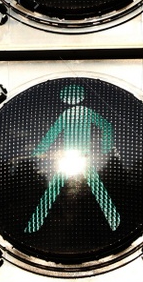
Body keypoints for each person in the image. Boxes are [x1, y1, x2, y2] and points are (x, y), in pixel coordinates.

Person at [26, 83, 120, 232]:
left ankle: (115, 222)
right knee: (55, 189)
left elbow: (106, 126)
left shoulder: (83, 113)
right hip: (70, 160)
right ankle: (115, 222)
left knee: (95, 189)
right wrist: (38, 151)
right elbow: (53, 132)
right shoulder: (71, 114)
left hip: (81, 159)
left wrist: (105, 148)